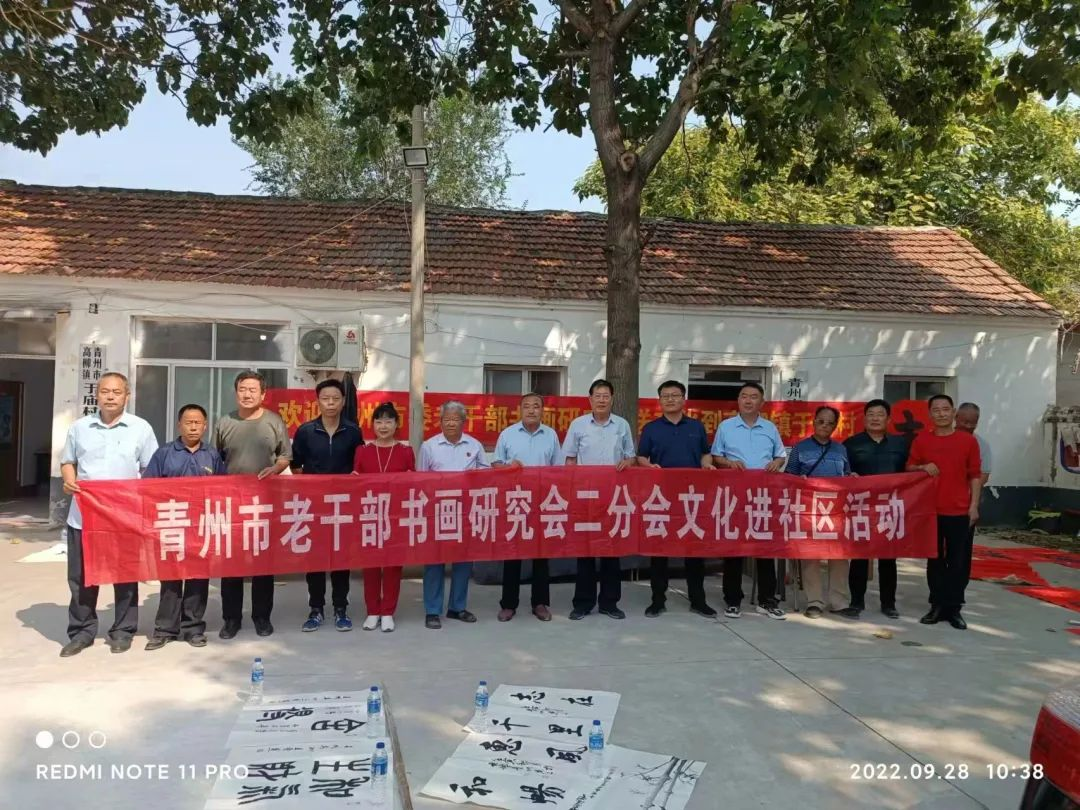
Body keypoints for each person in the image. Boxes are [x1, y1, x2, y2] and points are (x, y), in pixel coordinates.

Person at [59, 372, 158, 657]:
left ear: (127, 395)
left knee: (125, 575)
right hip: (84, 516)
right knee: (81, 577)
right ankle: (82, 632)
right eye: (105, 391)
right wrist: (69, 480)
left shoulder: (140, 428)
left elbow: (151, 469)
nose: (111, 397)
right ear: (97, 394)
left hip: (123, 517)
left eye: (117, 392)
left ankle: (123, 630)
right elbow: (68, 461)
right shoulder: (80, 428)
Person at [213, 371, 292, 639]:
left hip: (264, 503)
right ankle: (231, 619)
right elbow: (215, 459)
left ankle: (262, 617)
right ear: (236, 392)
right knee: (231, 564)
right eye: (242, 389)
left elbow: (285, 456)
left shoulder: (273, 421)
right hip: (232, 504)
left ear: (263, 394)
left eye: (252, 390)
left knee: (263, 564)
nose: (247, 394)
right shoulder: (225, 422)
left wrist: (275, 469)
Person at [143, 404, 227, 650]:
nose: (193, 427)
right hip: (171, 525)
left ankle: (193, 628)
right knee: (170, 579)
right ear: (179, 425)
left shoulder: (212, 455)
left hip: (201, 527)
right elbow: (148, 488)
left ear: (205, 426)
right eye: (188, 422)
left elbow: (224, 489)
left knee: (198, 579)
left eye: (198, 422)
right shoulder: (164, 453)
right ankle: (165, 629)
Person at [637, 380, 717, 618]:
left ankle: (698, 600)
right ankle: (657, 600)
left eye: (675, 395)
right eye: (665, 396)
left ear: (684, 399)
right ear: (660, 400)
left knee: (694, 551)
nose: (670, 399)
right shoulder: (651, 428)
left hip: (692, 497)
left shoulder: (696, 426)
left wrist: (706, 465)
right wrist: (649, 466)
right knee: (659, 551)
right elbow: (641, 457)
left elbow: (705, 453)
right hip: (661, 497)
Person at [291, 379, 364, 633]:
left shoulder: (353, 431)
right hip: (314, 506)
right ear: (318, 401)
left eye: (335, 398)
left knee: (341, 558)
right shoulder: (305, 431)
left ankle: (341, 608)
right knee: (315, 559)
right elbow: (296, 465)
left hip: (343, 506)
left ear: (343, 402)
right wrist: (311, 489)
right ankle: (316, 609)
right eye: (325, 398)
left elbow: (359, 466)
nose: (330, 403)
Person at [710, 381, 787, 620]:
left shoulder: (770, 428)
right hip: (734, 496)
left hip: (763, 496)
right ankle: (733, 600)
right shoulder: (726, 427)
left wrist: (776, 463)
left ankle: (767, 600)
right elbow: (716, 456)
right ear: (738, 400)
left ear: (761, 402)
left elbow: (781, 456)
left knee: (765, 548)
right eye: (744, 396)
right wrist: (729, 463)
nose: (748, 400)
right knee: (734, 549)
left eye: (754, 397)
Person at [908, 393, 982, 630]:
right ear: (930, 414)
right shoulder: (922, 440)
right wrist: (922, 467)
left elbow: (975, 475)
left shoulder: (968, 441)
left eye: (945, 409)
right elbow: (909, 468)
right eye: (936, 410)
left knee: (959, 561)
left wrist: (974, 506)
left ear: (953, 413)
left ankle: (954, 607)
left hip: (960, 510)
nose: (941, 413)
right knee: (935, 560)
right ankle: (937, 605)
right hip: (930, 511)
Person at [564, 379, 636, 621]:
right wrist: (572, 489)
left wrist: (627, 462)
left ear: (612, 399)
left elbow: (631, 456)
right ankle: (583, 603)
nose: (602, 400)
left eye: (606, 396)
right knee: (585, 551)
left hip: (614, 497)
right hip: (586, 497)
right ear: (590, 399)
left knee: (611, 551)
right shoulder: (578, 425)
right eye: (598, 395)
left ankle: (609, 603)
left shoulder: (622, 425)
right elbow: (570, 459)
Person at [418, 400, 488, 629]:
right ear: (440, 422)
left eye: (455, 419)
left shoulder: (475, 445)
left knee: (463, 561)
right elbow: (420, 480)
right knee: (434, 562)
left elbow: (486, 475)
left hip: (466, 511)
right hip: (437, 511)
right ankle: (432, 610)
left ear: (463, 422)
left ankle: (457, 607)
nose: (450, 423)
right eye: (446, 419)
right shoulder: (429, 446)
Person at [492, 393, 562, 622]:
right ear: (519, 410)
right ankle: (508, 604)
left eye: (536, 406)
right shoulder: (508, 434)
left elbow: (559, 469)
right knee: (512, 554)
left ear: (542, 410)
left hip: (542, 502)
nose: (531, 410)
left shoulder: (551, 435)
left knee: (541, 554)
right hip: (515, 500)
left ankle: (539, 603)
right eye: (527, 406)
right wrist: (508, 466)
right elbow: (495, 464)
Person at [840, 399, 908, 619]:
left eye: (880, 414)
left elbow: (910, 472)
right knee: (859, 556)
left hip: (890, 507)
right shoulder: (851, 444)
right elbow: (843, 471)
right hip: (862, 507)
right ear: (864, 418)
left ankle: (888, 604)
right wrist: (849, 476)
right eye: (871, 414)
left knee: (888, 557)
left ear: (888, 419)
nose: (875, 418)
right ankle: (856, 602)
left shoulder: (900, 444)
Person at [785, 406, 852, 619]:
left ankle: (839, 602)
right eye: (821, 421)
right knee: (811, 555)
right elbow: (788, 477)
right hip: (810, 511)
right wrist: (799, 480)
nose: (825, 426)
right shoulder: (800, 448)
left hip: (836, 511)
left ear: (835, 426)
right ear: (813, 422)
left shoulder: (841, 450)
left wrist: (852, 477)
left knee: (840, 556)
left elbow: (847, 474)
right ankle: (814, 601)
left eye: (830, 423)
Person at [353, 401, 415, 632]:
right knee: (370, 566)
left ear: (396, 424)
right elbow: (355, 482)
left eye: (388, 421)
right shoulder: (363, 451)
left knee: (392, 566)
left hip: (396, 517)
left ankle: (388, 611)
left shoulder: (405, 451)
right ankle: (372, 611)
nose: (383, 426)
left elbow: (412, 483)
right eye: (378, 421)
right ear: (373, 425)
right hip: (369, 516)